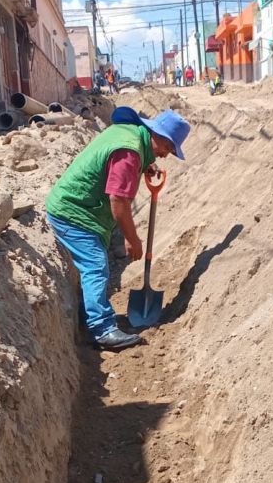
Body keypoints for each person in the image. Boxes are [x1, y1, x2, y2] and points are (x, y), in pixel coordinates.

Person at [46, 105, 191, 350]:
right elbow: (119, 201)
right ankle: (102, 330)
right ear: (157, 136)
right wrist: (132, 239)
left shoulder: (129, 133)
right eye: (167, 148)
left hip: (81, 206)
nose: (166, 155)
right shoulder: (129, 153)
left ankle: (88, 313)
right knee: (95, 266)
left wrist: (145, 164)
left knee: (93, 266)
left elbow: (116, 161)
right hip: (74, 212)